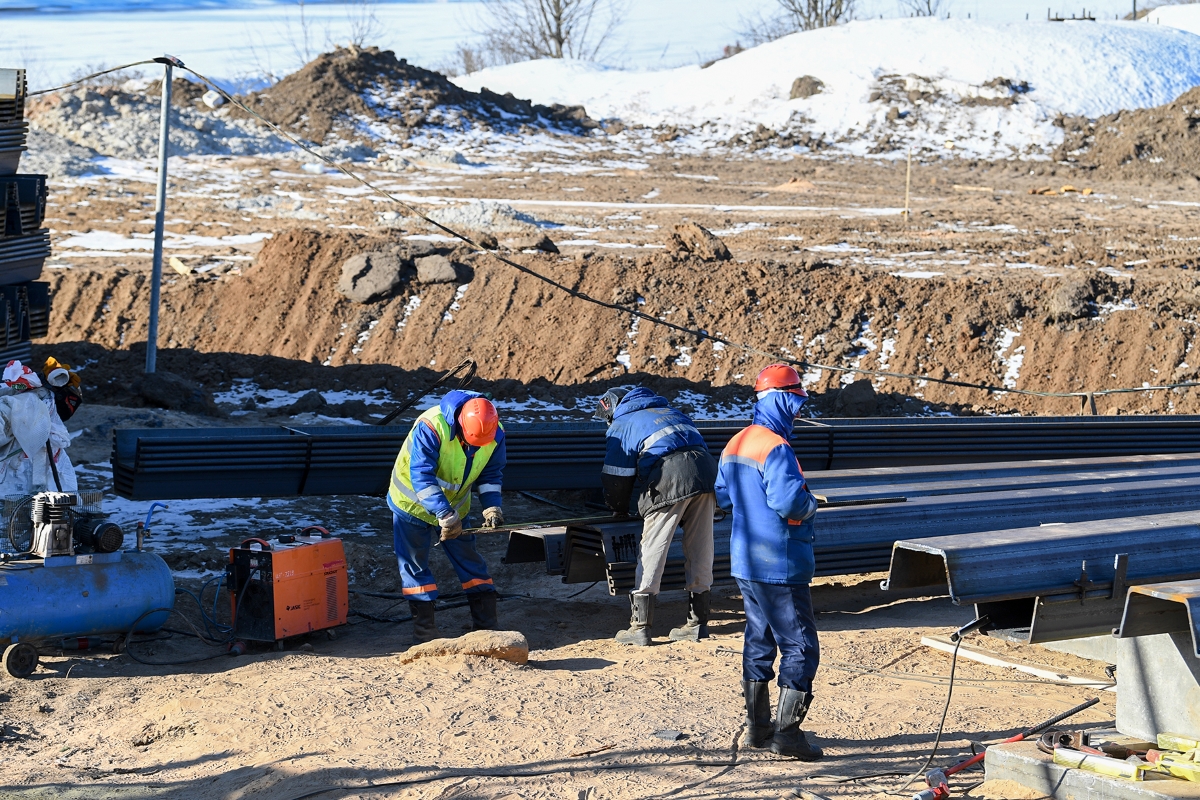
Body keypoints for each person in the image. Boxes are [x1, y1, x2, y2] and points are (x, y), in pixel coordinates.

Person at [714, 364, 823, 761]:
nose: (796, 408)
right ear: (782, 399)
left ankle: (757, 729)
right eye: (795, 400)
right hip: (780, 563)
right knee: (799, 644)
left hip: (746, 562)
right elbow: (790, 502)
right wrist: (811, 505)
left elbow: (723, 497)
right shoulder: (777, 448)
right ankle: (788, 736)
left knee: (758, 640)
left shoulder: (737, 442)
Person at [596, 387, 718, 646]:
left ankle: (640, 627)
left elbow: (617, 476)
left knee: (653, 547)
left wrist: (617, 507)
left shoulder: (623, 422)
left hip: (671, 476)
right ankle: (697, 625)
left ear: (611, 408)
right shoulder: (671, 412)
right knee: (701, 546)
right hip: (707, 473)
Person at [388, 390, 506, 643]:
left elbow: (491, 474)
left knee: (471, 562)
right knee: (414, 567)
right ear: (460, 426)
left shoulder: (494, 433)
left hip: (456, 508)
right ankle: (425, 635)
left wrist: (492, 507)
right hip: (411, 505)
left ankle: (486, 628)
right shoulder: (431, 427)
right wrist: (445, 514)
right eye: (470, 444)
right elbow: (421, 476)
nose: (475, 449)